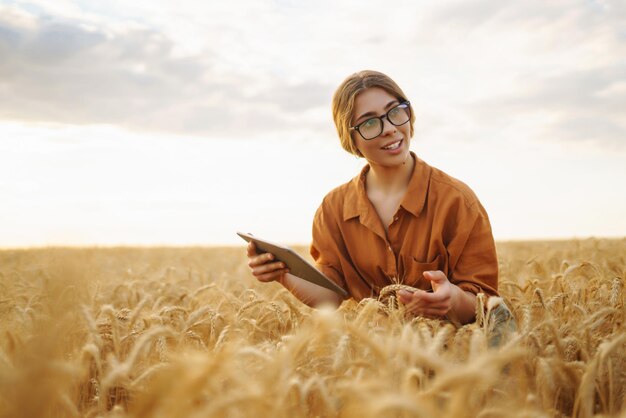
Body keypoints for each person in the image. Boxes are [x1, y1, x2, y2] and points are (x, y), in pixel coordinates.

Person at [246, 70, 498, 325]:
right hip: (376, 357)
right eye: (369, 123)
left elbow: (486, 303)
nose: (390, 128)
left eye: (396, 111)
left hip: (453, 357)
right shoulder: (333, 209)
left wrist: (451, 299)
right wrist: (282, 274)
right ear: (351, 138)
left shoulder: (457, 201)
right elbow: (331, 296)